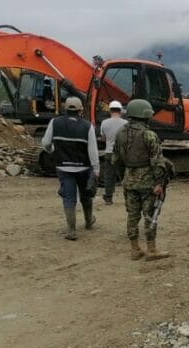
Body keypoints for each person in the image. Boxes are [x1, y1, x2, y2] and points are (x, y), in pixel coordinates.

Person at [112, 99, 171, 261]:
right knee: (150, 215)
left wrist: (122, 177)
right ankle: (151, 250)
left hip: (129, 181)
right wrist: (159, 183)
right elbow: (157, 161)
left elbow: (115, 160)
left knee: (132, 216)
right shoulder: (149, 134)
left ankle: (135, 249)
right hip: (148, 182)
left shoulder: (120, 133)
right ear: (145, 115)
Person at [41, 96, 99, 240]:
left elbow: (46, 142)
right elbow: (93, 150)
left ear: (65, 108)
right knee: (86, 196)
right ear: (81, 110)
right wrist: (96, 168)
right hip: (84, 168)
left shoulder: (55, 122)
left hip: (64, 167)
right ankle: (88, 221)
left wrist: (52, 150)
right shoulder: (87, 126)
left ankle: (71, 230)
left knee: (68, 198)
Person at [100, 100, 127, 204]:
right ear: (120, 111)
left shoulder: (104, 123)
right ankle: (128, 196)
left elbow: (103, 138)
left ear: (110, 111)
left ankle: (108, 197)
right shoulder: (125, 123)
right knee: (125, 175)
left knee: (109, 175)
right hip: (122, 153)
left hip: (109, 152)